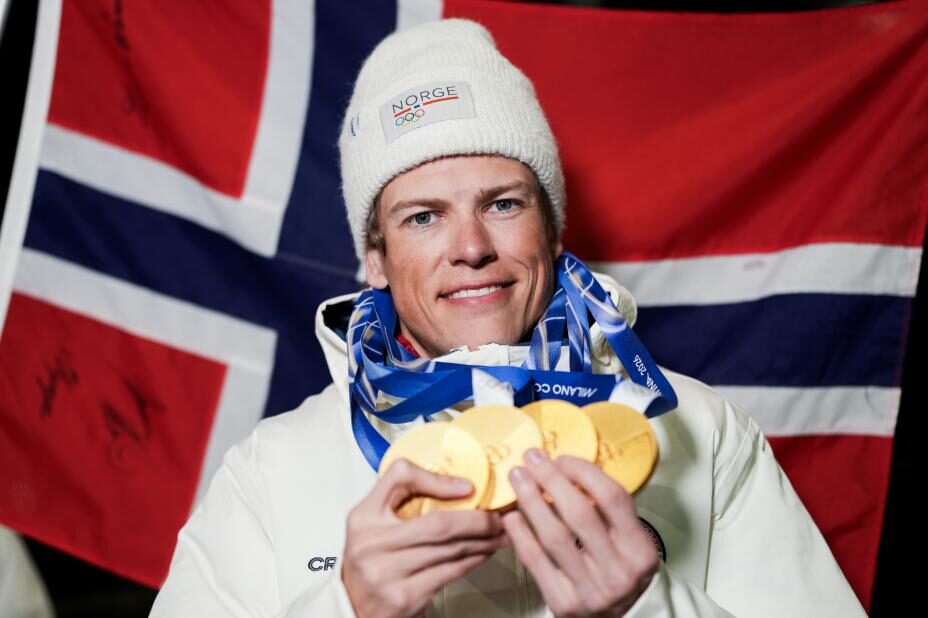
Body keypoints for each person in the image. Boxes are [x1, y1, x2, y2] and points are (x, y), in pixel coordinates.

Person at [150, 19, 865, 617]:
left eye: (502, 204)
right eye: (423, 216)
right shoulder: (269, 471)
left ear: (551, 232)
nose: (471, 248)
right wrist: (347, 609)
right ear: (375, 258)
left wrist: (645, 608)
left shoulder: (701, 432)